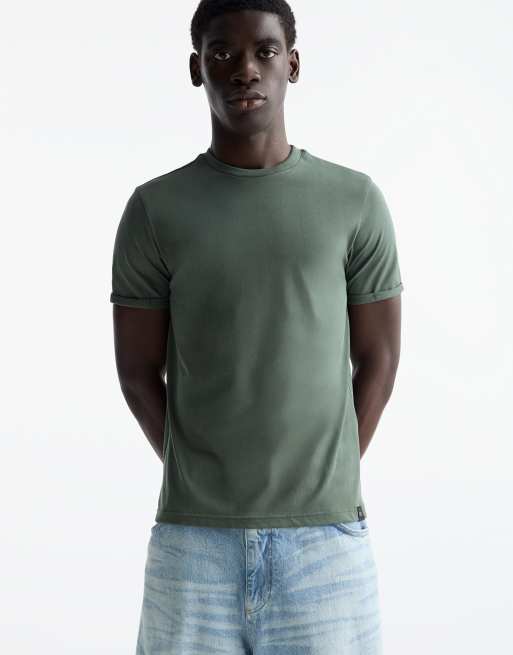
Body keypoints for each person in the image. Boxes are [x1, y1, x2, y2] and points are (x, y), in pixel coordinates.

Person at [110, 1, 403, 653]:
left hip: (324, 545)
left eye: (264, 51)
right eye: (222, 53)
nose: (244, 69)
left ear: (291, 64)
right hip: (193, 546)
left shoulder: (353, 201)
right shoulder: (156, 209)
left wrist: (326, 472)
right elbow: (136, 372)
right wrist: (202, 472)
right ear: (197, 69)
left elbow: (379, 361)